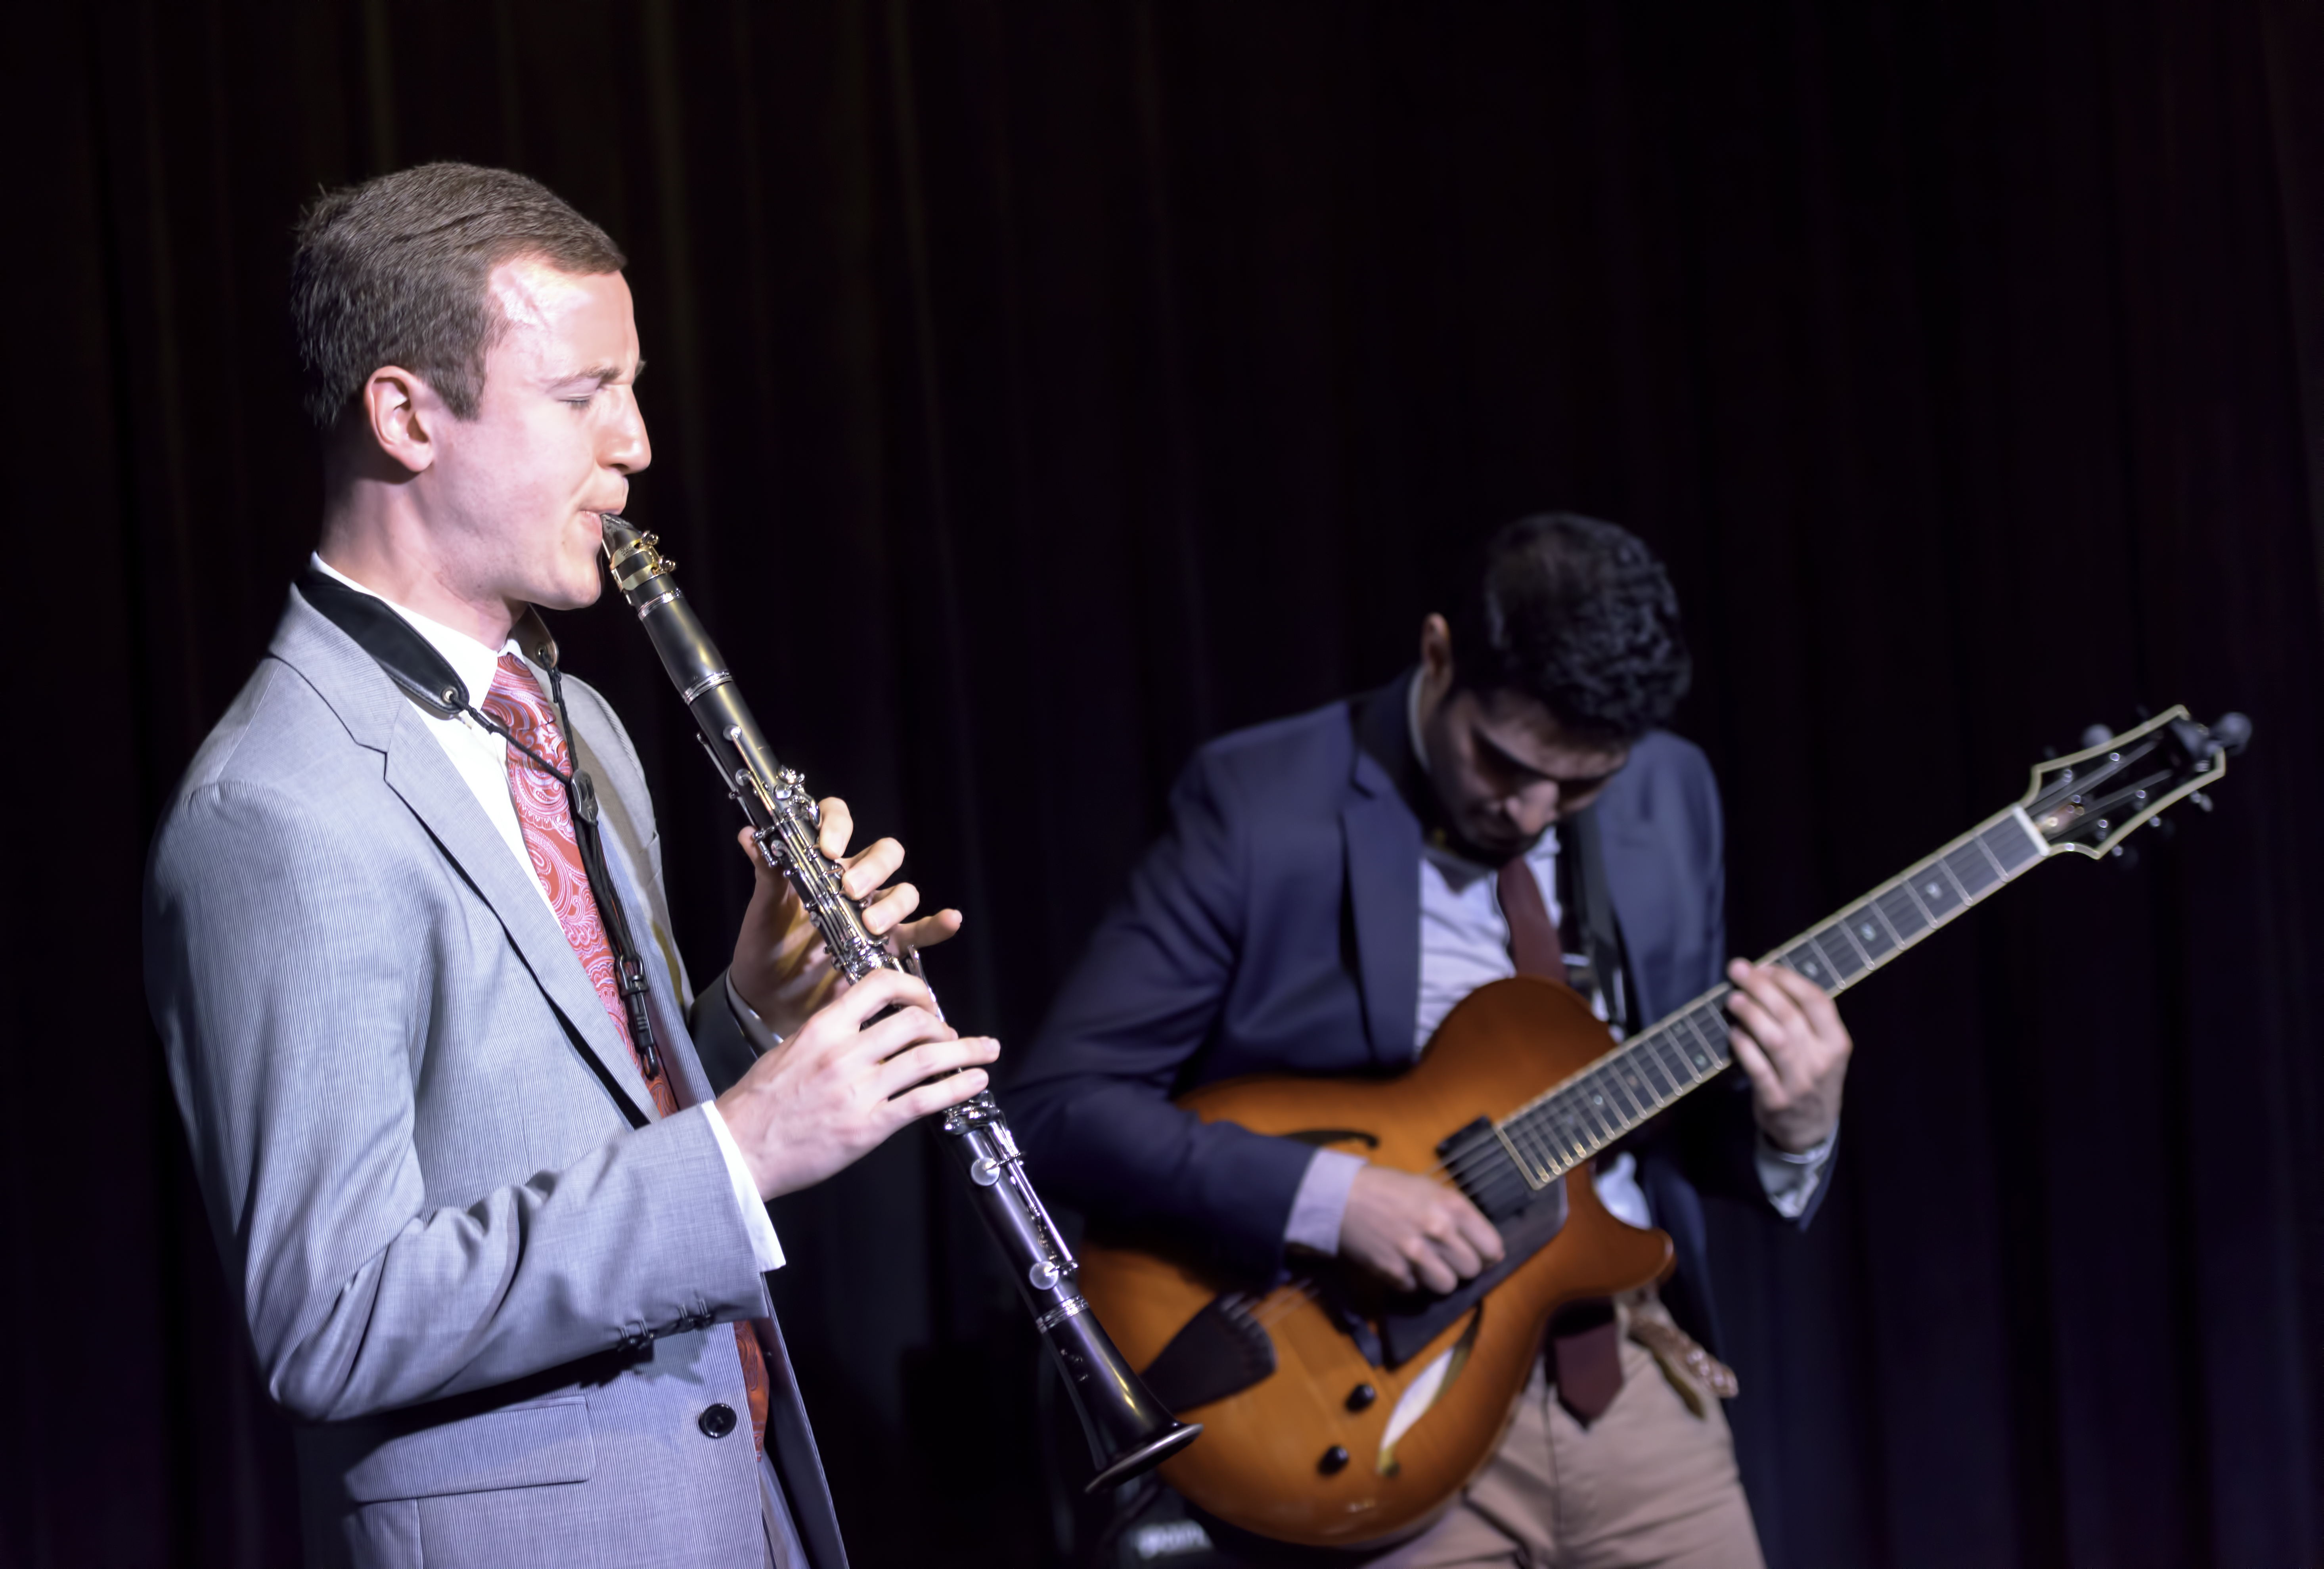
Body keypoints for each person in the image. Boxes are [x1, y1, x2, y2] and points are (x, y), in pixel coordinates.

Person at [142, 163, 997, 1569]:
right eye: (586, 393)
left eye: (634, 387)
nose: (640, 443)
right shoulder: (272, 808)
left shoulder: (574, 715)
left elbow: (590, 1135)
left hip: (739, 1508)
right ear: (409, 416)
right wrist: (747, 1150)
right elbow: (332, 1320)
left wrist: (745, 1021)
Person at [1007, 515, 1854, 1568]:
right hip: (1374, 1411)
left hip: (1633, 1375)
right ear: (1440, 652)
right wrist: (1334, 1200)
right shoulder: (1261, 804)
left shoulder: (1672, 790)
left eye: (1581, 785)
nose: (1535, 813)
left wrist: (1795, 1128)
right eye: (1504, 764)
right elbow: (1056, 1108)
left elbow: (1670, 1116)